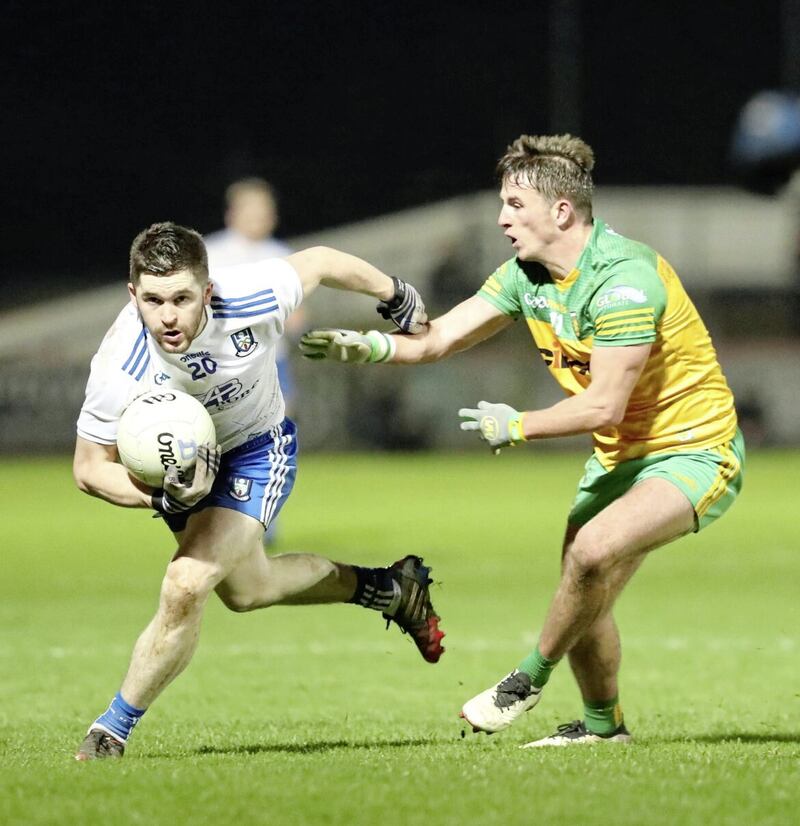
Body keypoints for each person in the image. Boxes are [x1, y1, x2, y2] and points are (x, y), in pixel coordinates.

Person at [300, 134, 745, 748]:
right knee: (585, 590)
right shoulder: (523, 277)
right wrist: (372, 346)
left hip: (694, 448)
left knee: (591, 554)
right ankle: (602, 729)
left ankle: (525, 681)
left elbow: (603, 404)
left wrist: (517, 425)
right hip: (621, 457)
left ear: (561, 211)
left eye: (514, 204)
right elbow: (438, 339)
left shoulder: (624, 280)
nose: (502, 218)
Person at [72, 222, 443, 761]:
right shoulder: (118, 365)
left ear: (208, 290)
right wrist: (162, 499)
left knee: (186, 582)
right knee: (247, 591)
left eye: (181, 298)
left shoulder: (252, 296)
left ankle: (112, 729)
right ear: (133, 295)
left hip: (256, 448)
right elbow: (88, 469)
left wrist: (394, 293)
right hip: (181, 477)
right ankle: (390, 589)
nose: (167, 316)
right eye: (152, 301)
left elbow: (319, 261)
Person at [204, 177, 305, 544]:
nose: (260, 218)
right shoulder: (210, 253)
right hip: (222, 368)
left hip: (272, 367)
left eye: (265, 211)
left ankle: (262, 523)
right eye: (252, 210)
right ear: (233, 213)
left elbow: (297, 317)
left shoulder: (281, 253)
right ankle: (218, 517)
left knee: (273, 442)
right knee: (222, 443)